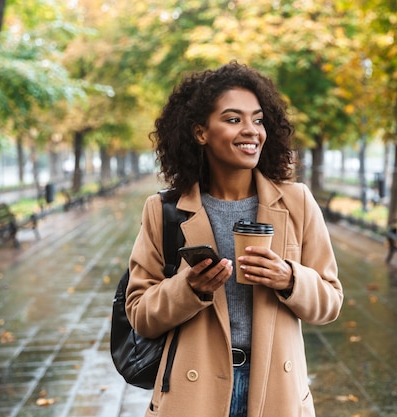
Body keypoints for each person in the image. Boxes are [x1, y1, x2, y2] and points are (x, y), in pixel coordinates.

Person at [126, 61, 343, 417]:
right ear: (200, 132)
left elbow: (331, 301)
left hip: (276, 390)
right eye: (233, 119)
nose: (251, 131)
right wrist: (189, 289)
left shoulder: (297, 202)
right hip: (193, 393)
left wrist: (289, 279)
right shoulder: (163, 210)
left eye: (257, 120)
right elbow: (140, 314)